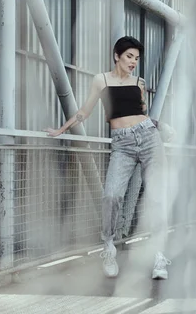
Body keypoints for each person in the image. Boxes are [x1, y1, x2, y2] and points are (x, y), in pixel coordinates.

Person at [45, 36, 170, 279]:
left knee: (156, 198)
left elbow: (140, 113)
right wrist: (61, 129)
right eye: (129, 57)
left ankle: (159, 258)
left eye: (136, 58)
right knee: (111, 195)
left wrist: (160, 126)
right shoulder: (100, 80)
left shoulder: (139, 82)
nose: (133, 62)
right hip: (122, 143)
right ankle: (109, 247)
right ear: (117, 56)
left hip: (148, 138)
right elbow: (85, 111)